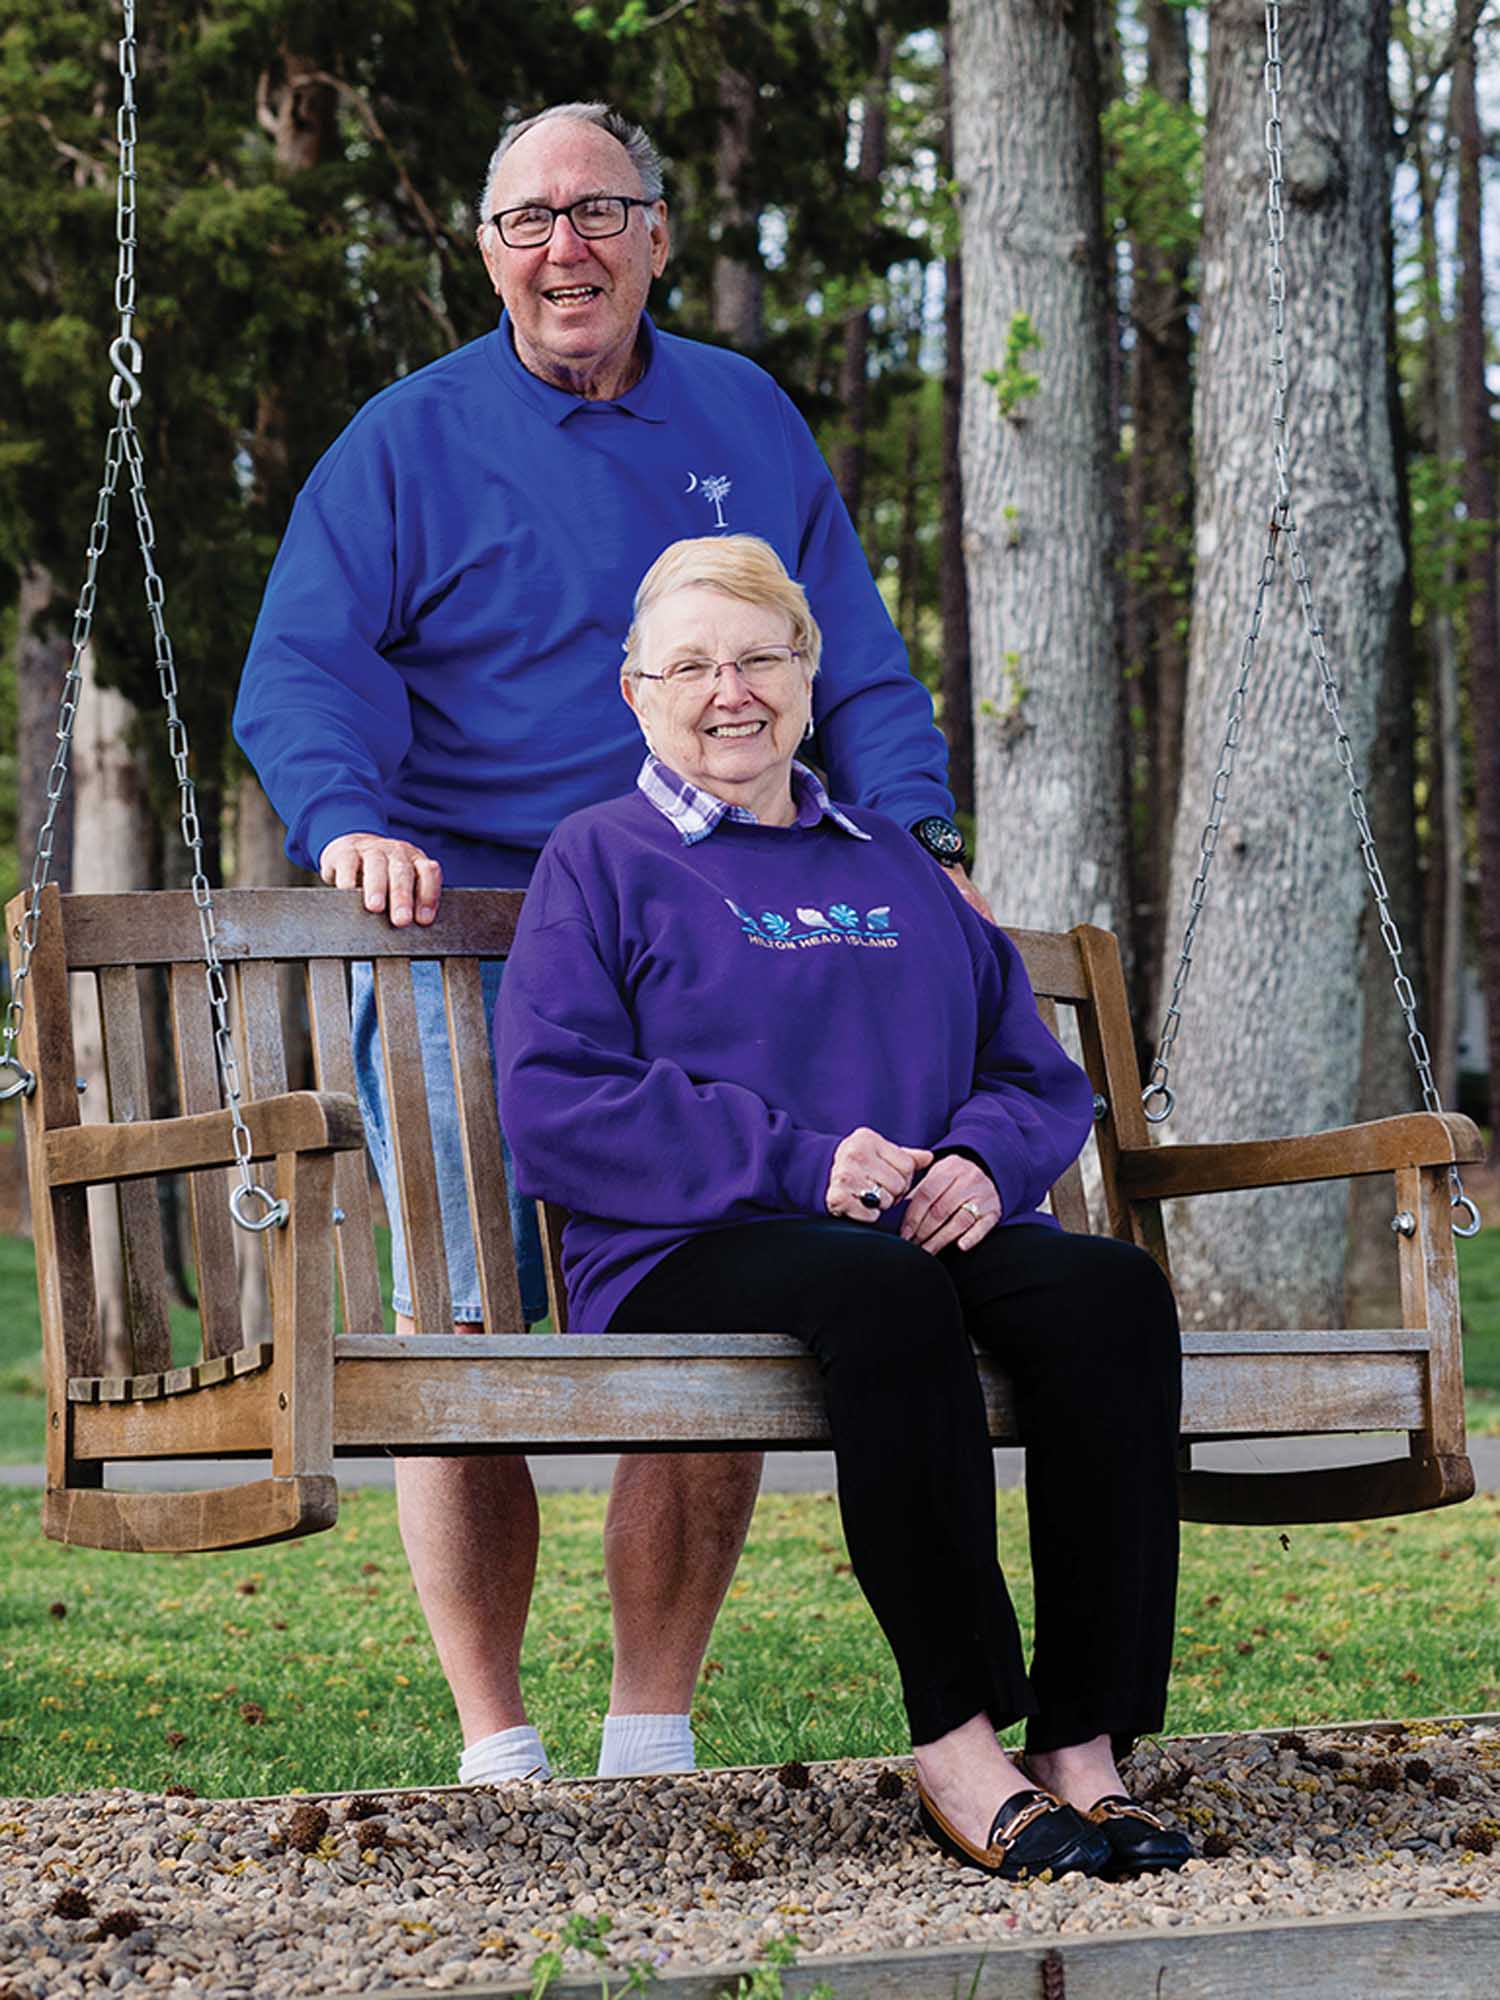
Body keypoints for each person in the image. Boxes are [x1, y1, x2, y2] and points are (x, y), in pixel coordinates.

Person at [233, 102, 985, 1789]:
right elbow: (303, 663)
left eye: (596, 213)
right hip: (465, 931)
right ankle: (496, 1738)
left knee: (701, 1308)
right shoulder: (405, 442)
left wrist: (923, 836)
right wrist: (352, 816)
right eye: (524, 220)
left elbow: (845, 652)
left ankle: (653, 1723)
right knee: (465, 1327)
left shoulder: (742, 412)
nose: (560, 248)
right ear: (484, 247)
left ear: (654, 232)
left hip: (702, 921)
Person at [496, 535, 1191, 1879]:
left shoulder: (891, 861)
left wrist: (986, 1160)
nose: (730, 691)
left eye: (760, 657)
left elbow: (1031, 1074)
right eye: (691, 666)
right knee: (884, 1291)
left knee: (1109, 1294)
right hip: (694, 1240)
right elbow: (554, 1099)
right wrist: (801, 1161)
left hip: (915, 1227)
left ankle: (1087, 1745)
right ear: (636, 693)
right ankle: (959, 1733)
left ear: (808, 680)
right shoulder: (602, 858)